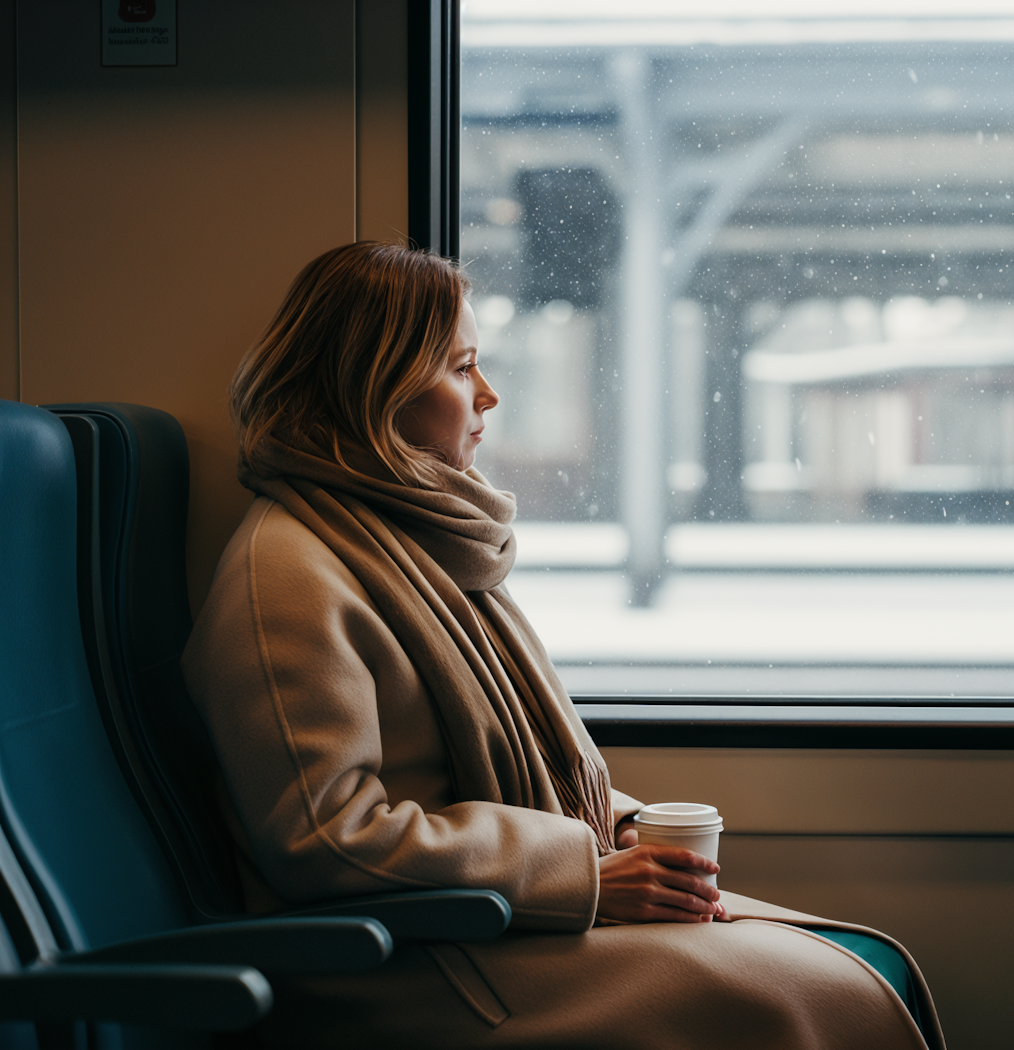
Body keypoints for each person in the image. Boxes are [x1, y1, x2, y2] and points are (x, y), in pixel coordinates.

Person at [182, 241, 944, 1049]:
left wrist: (622, 827)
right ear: (374, 386)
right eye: (460, 367)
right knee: (817, 994)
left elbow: (521, 769)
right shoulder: (288, 572)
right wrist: (586, 878)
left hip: (485, 921)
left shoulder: (406, 545)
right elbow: (328, 839)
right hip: (418, 958)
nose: (488, 394)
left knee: (852, 958)